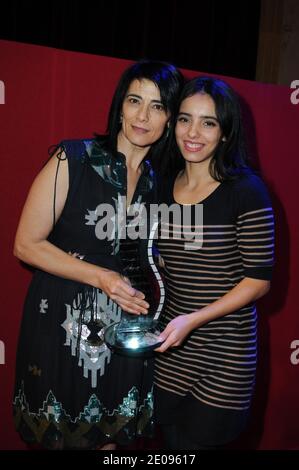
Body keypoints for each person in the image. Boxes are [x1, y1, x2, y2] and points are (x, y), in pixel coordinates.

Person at [13, 59, 184, 450]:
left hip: (126, 335)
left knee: (113, 443)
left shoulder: (162, 183)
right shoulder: (71, 158)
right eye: (134, 101)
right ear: (119, 106)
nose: (143, 116)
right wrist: (101, 277)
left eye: (157, 106)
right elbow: (25, 243)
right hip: (60, 325)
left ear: (170, 118)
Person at [154, 76, 275, 450]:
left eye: (208, 122)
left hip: (224, 356)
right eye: (185, 119)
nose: (194, 132)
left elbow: (258, 281)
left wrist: (193, 319)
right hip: (170, 352)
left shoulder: (246, 191)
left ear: (225, 132)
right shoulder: (162, 184)